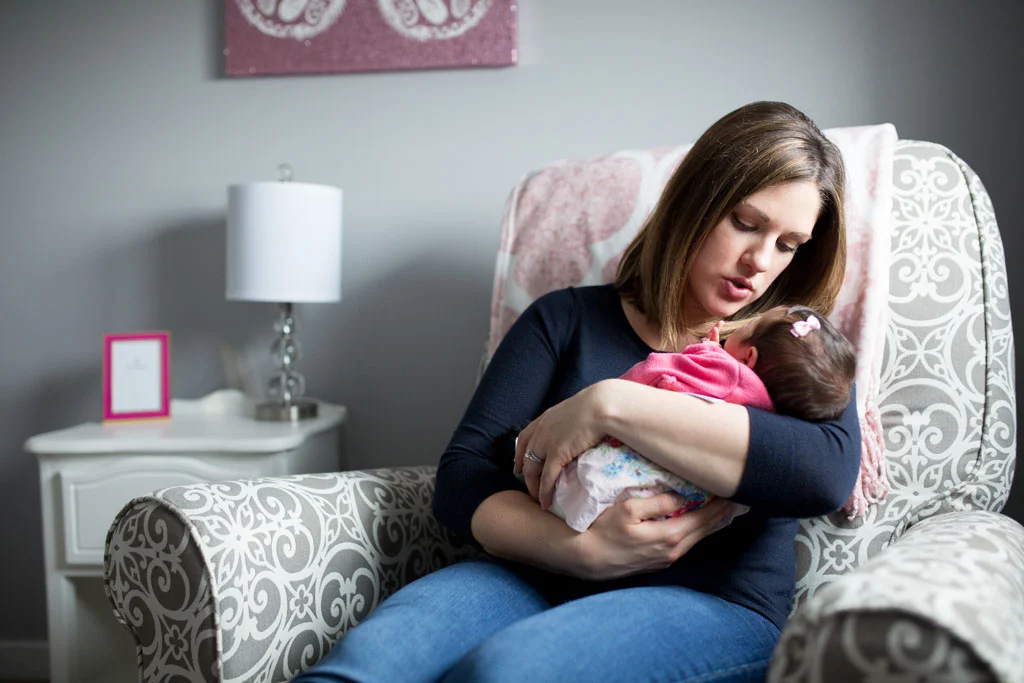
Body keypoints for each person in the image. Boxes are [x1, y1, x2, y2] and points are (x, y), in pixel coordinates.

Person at [293, 101, 861, 683]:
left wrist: (610, 404)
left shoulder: (796, 348)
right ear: (695, 202)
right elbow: (463, 475)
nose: (759, 261)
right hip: (531, 576)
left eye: (789, 244)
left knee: (505, 674)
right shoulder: (564, 319)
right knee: (360, 670)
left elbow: (825, 473)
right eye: (745, 222)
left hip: (712, 602)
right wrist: (578, 550)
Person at [543, 305, 857, 532]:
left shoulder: (724, 368)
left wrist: (617, 392)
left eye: (751, 323)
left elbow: (659, 370)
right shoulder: (777, 408)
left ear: (749, 357)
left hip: (604, 471)